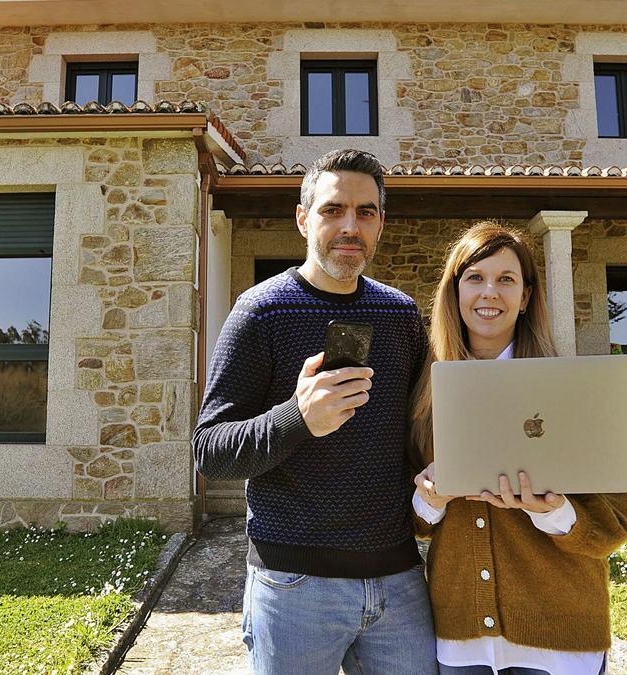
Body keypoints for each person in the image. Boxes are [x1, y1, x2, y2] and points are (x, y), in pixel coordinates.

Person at [194, 149, 437, 674]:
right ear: (303, 218)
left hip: (397, 580)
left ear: (380, 224)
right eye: (333, 210)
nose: (350, 227)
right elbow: (210, 450)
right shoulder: (261, 312)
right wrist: (298, 418)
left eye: (365, 212)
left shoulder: (400, 315)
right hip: (294, 586)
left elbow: (422, 429)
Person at [409, 222, 627, 675]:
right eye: (475, 278)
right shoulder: (424, 395)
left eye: (506, 279)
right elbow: (413, 524)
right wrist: (428, 501)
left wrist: (551, 511)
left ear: (526, 297)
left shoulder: (575, 392)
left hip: (561, 641)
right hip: (460, 640)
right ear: (454, 292)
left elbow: (614, 528)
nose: (489, 292)